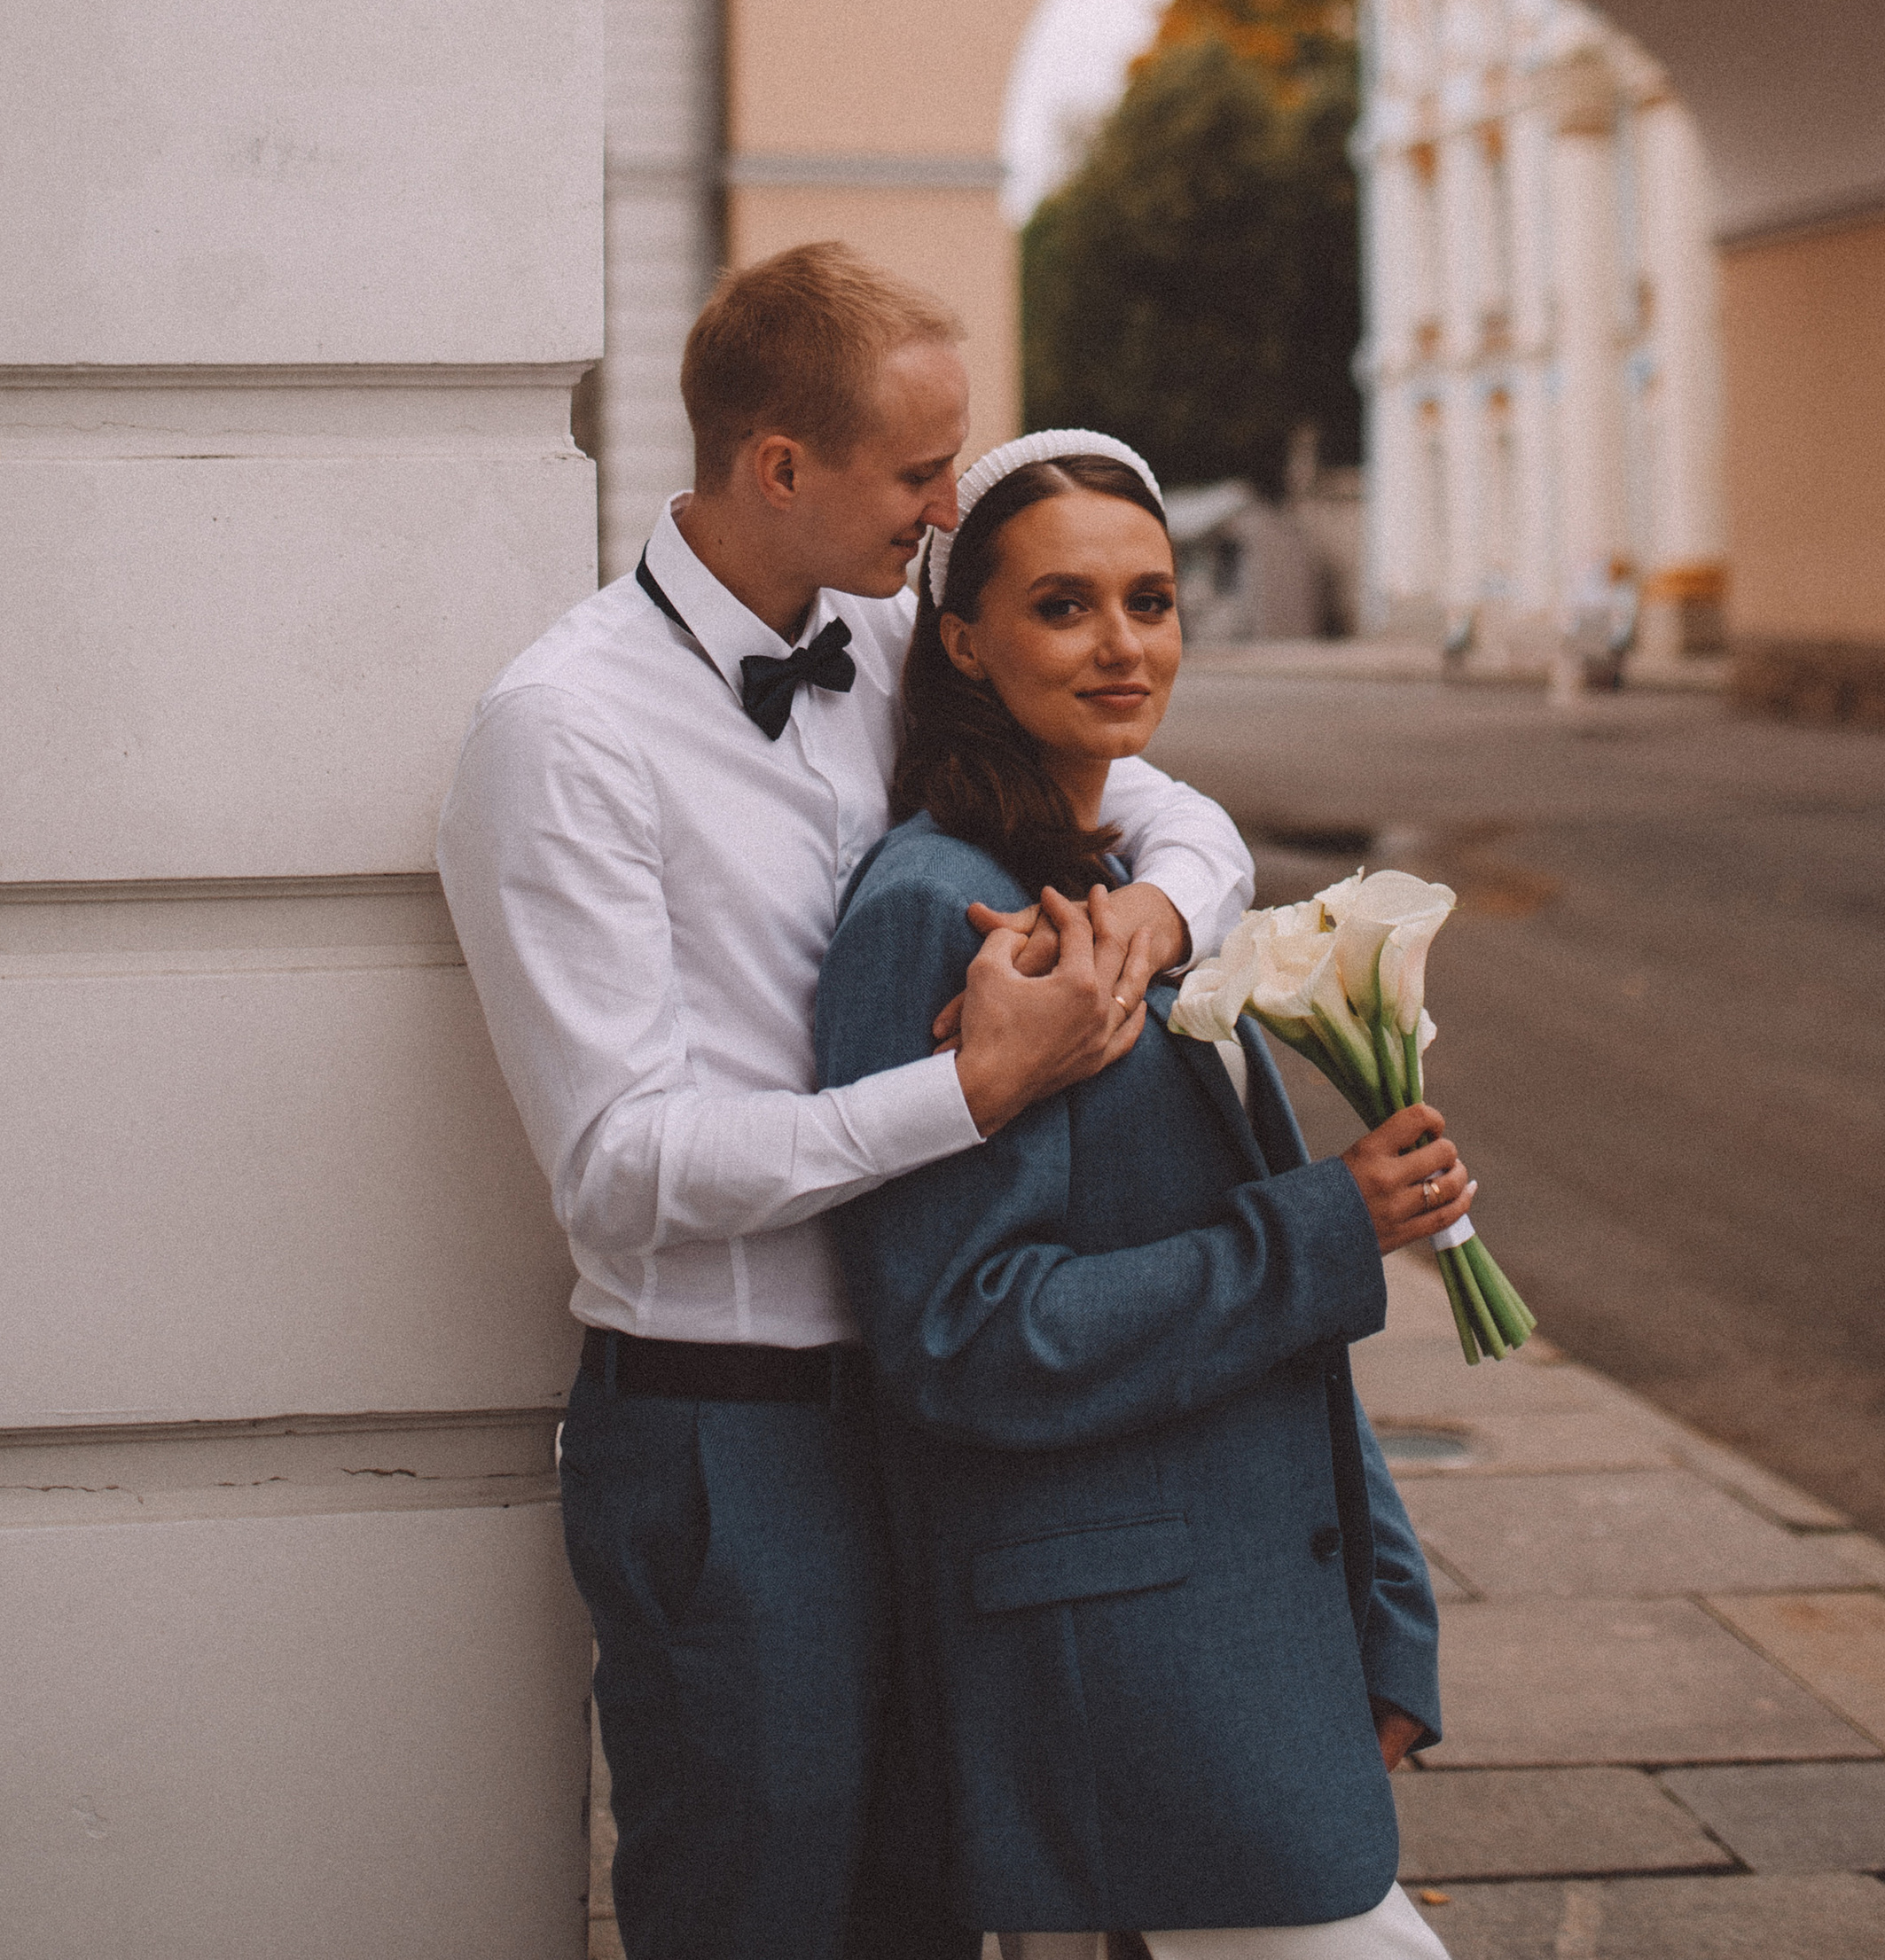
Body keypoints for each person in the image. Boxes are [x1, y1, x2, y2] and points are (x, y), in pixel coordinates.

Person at [435, 250, 1254, 1960]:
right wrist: (967, 1088)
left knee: (939, 1909)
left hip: (931, 1415)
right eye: (918, 474)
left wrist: (1146, 923)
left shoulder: (894, 639)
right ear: (781, 465)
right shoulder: (562, 728)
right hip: (724, 1441)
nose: (954, 505)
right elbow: (622, 1167)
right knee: (758, 1917)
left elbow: (1182, 811)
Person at [814, 433, 1478, 1960]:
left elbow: (1281, 1337)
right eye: (1065, 605)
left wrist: (1379, 1608)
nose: (1124, 642)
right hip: (1116, 1647)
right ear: (965, 641)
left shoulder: (1132, 875)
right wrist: (1331, 1219)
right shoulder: (941, 908)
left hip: (1249, 1619)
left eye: (1153, 598)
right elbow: (966, 1336)